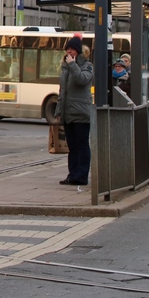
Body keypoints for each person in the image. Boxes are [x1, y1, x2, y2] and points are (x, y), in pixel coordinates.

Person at [56, 35, 93, 186]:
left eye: (72, 49)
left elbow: (82, 79)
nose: (69, 52)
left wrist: (72, 64)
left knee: (81, 144)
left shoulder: (87, 66)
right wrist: (59, 111)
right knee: (72, 146)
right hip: (68, 113)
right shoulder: (65, 68)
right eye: (68, 49)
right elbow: (62, 91)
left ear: (78, 51)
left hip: (81, 113)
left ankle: (82, 176)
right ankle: (72, 175)